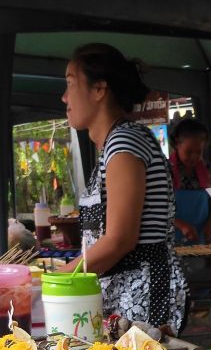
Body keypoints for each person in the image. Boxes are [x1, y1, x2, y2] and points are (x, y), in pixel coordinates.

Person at [61, 43, 187, 332]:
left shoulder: (124, 142)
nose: (64, 96)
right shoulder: (113, 145)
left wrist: (61, 278)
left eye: (70, 83)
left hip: (144, 292)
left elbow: (119, 240)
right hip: (125, 289)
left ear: (99, 90)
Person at [170, 118, 211, 245]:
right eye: (189, 151)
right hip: (170, 242)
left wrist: (210, 225)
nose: (194, 157)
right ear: (177, 144)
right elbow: (156, 209)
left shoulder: (208, 170)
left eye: (199, 152)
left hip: (199, 240)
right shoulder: (165, 170)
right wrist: (181, 225)